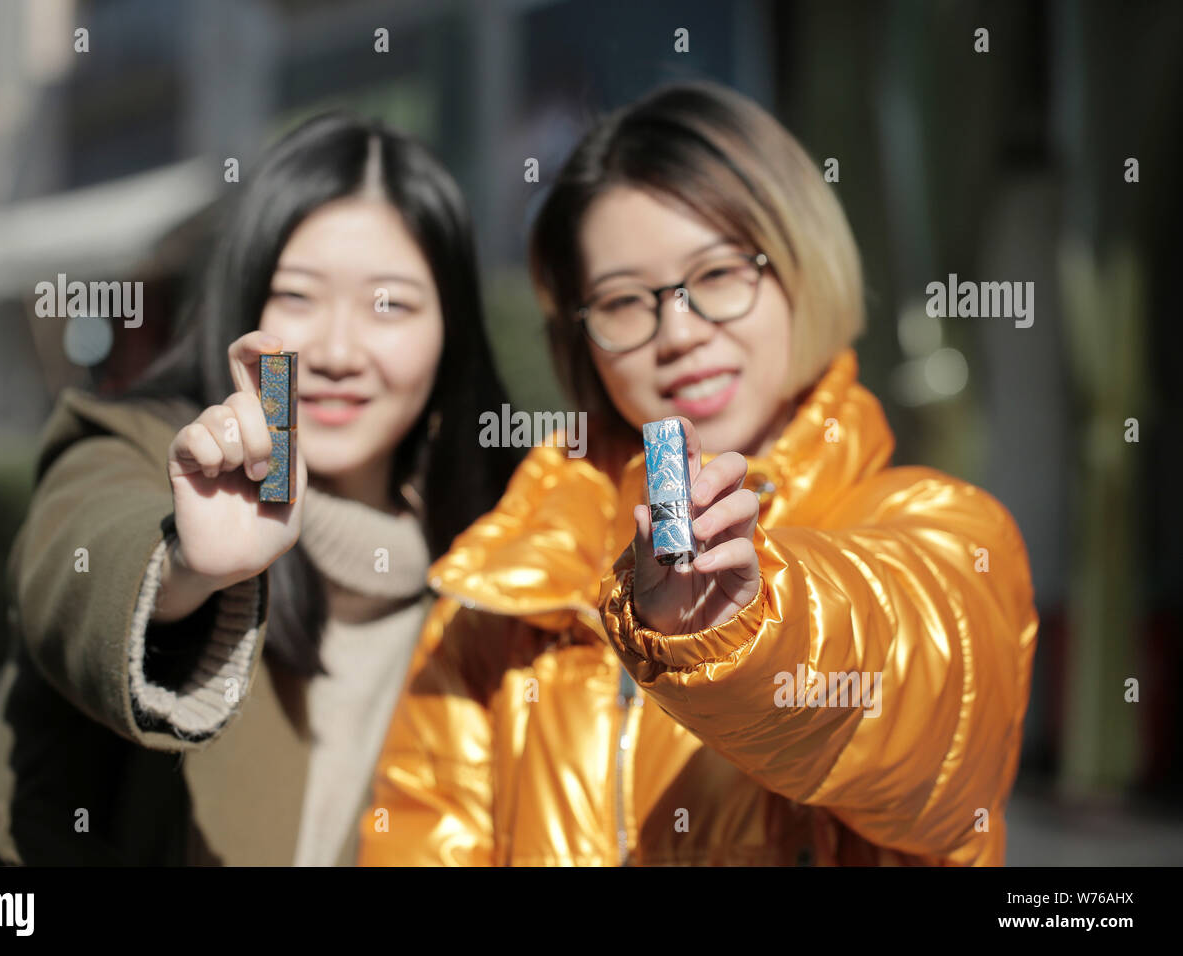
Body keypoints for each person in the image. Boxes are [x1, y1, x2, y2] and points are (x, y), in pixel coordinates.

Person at [359, 80, 1039, 866]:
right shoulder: (508, 585)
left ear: (800, 264)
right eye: (621, 301)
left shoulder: (946, 530)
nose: (677, 332)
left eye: (718, 276)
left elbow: (926, 718)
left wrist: (747, 626)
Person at [0, 111, 520, 865]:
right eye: (296, 296)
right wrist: (188, 571)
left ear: (450, 333)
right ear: (241, 302)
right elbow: (79, 559)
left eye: (389, 303)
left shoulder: (506, 556)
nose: (336, 350)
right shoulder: (146, 451)